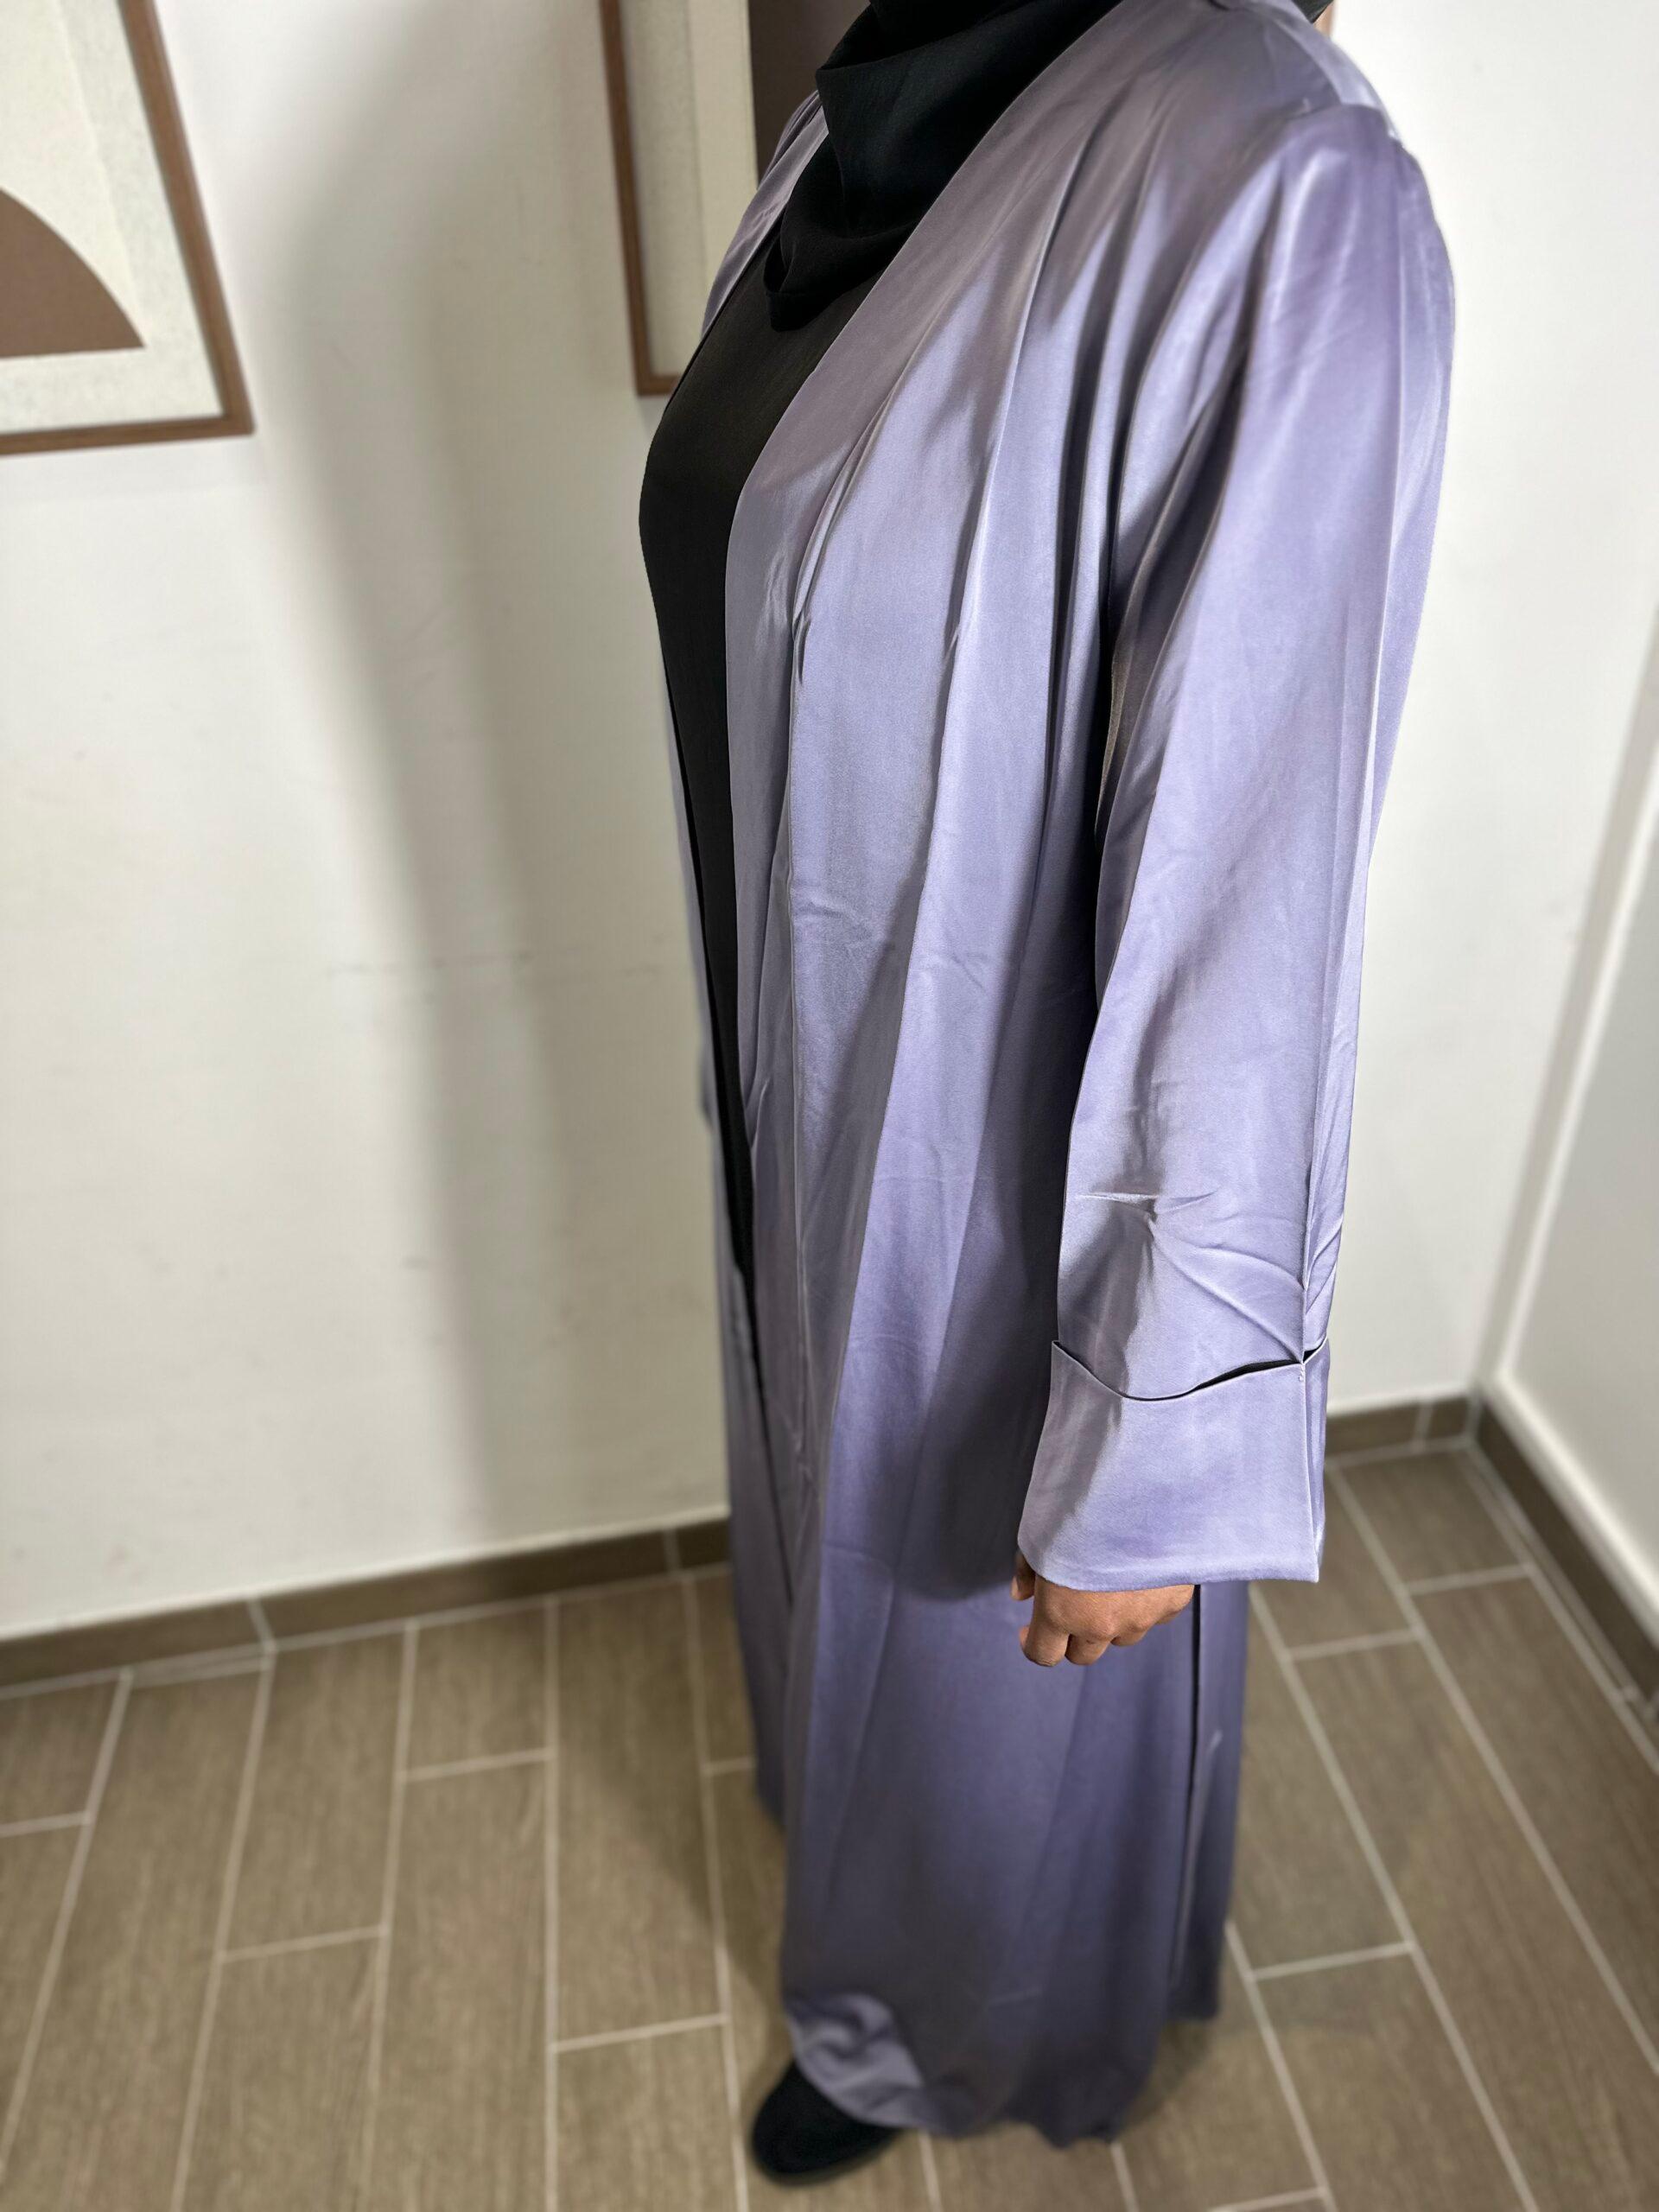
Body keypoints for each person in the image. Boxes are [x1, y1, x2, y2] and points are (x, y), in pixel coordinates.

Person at [639, 0, 1452, 2182]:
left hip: (1017, 1178)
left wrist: (1160, 1446)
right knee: (847, 1592)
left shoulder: (1272, 182)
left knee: (993, 1675)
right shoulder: (866, 106)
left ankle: (963, 2031)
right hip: (801, 1090)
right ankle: (878, 1933)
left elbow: (1254, 889)